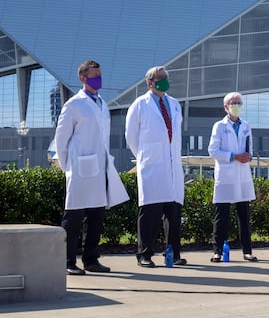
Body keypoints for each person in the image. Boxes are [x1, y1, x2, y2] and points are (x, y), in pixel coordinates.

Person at [55, 60, 129, 276]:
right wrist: (67, 166)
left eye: (100, 74)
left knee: (97, 215)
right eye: (95, 74)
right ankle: (68, 261)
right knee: (74, 217)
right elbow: (61, 139)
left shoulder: (102, 104)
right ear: (83, 77)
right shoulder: (74, 104)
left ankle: (91, 259)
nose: (99, 78)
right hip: (79, 169)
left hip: (100, 168)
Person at [125, 66, 187, 268]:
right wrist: (145, 156)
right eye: (160, 78)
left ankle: (174, 253)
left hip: (172, 165)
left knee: (174, 212)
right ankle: (144, 254)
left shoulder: (175, 104)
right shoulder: (139, 105)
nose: (164, 81)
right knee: (150, 212)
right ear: (149, 82)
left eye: (166, 78)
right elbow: (131, 137)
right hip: (152, 166)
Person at [207, 92, 258, 263]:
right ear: (226, 107)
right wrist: (234, 156)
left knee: (244, 215)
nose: (237, 106)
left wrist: (248, 157)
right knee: (221, 215)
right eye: (233, 103)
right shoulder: (219, 126)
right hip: (226, 175)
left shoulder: (246, 126)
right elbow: (213, 151)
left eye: (239, 103)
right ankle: (217, 252)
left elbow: (250, 149)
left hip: (242, 174)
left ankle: (247, 251)